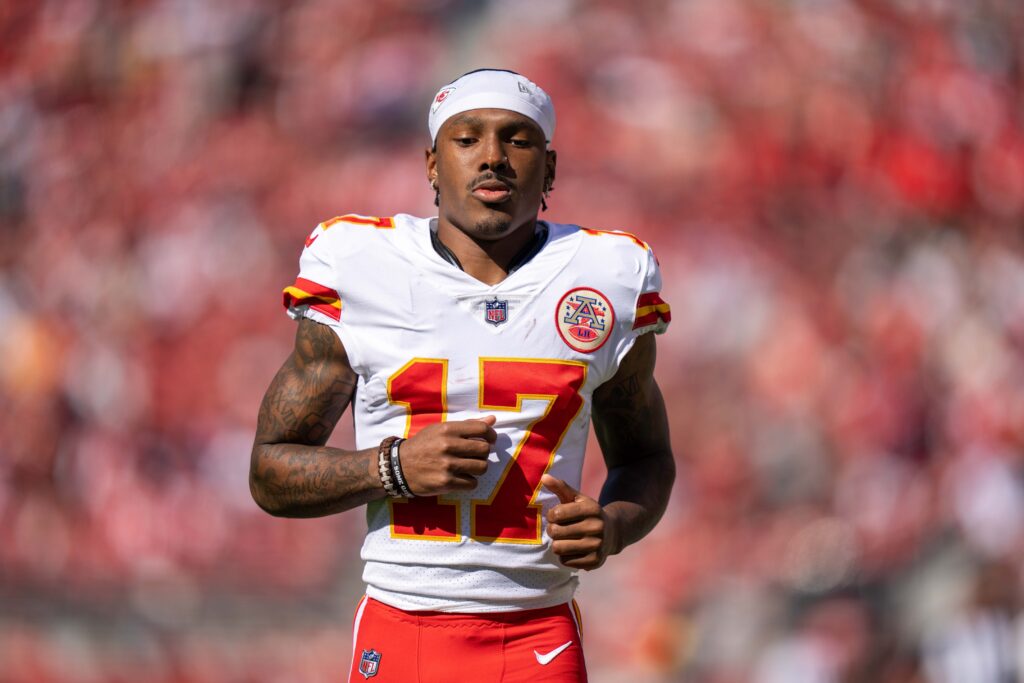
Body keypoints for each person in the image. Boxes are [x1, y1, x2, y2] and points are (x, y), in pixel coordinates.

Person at [250, 69, 675, 683]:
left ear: (550, 169)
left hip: (538, 631)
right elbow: (270, 470)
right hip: (404, 625)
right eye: (467, 138)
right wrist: (394, 467)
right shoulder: (361, 266)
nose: (493, 157)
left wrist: (612, 526)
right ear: (431, 164)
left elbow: (647, 458)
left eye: (517, 139)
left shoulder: (607, 275)